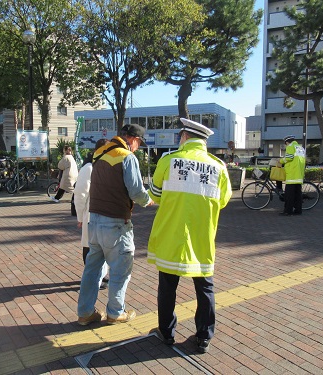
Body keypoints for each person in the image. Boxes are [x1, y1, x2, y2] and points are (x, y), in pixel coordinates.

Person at [147, 118, 232, 354]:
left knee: (167, 286)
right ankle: (204, 337)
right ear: (204, 141)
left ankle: (166, 332)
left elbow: (157, 194)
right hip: (202, 238)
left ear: (184, 136)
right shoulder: (219, 167)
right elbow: (223, 201)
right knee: (205, 288)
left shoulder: (169, 161)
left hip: (171, 235)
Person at [77, 124, 154, 326]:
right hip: (116, 225)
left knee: (92, 271)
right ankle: (115, 312)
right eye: (139, 143)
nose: (138, 147)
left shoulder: (99, 153)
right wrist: (148, 200)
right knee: (120, 271)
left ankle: (85, 313)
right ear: (132, 139)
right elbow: (136, 191)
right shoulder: (127, 157)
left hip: (94, 222)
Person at [74, 138, 109, 290]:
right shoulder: (88, 168)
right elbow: (80, 194)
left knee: (100, 248)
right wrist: (80, 217)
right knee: (89, 247)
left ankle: (99, 276)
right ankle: (91, 279)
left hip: (102, 215)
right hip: (89, 214)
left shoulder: (103, 166)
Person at [278, 135, 306, 216]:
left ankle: (288, 211)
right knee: (298, 194)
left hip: (292, 175)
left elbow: (289, 158)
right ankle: (298, 210)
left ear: (287, 142)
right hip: (299, 175)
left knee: (289, 195)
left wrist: (280, 160)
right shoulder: (300, 148)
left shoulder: (290, 146)